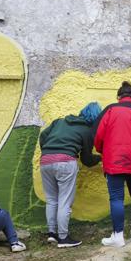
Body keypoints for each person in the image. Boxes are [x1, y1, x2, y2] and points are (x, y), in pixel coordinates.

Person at [94, 81, 131, 248]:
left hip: (114, 159)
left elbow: (99, 137)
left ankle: (118, 236)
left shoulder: (111, 111)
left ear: (119, 96)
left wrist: (102, 151)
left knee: (117, 197)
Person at [39, 102, 102, 248]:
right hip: (65, 162)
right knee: (64, 201)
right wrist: (100, 158)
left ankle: (52, 234)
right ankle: (63, 238)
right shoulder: (87, 131)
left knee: (51, 199)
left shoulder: (60, 121)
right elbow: (87, 160)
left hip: (45, 160)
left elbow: (43, 136)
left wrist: (49, 150)